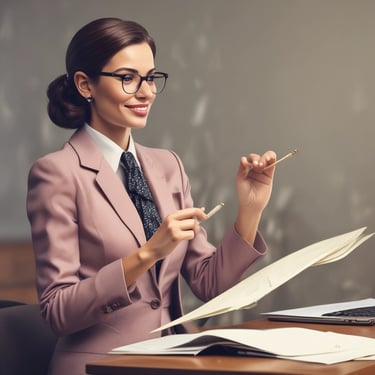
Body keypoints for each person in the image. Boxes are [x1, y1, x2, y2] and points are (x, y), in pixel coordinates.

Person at [26, 17, 277, 375]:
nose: (145, 92)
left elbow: (209, 284)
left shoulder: (168, 164)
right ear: (85, 84)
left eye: (150, 78)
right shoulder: (56, 173)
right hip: (100, 365)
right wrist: (147, 254)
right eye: (127, 78)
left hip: (173, 358)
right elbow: (57, 311)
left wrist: (250, 209)